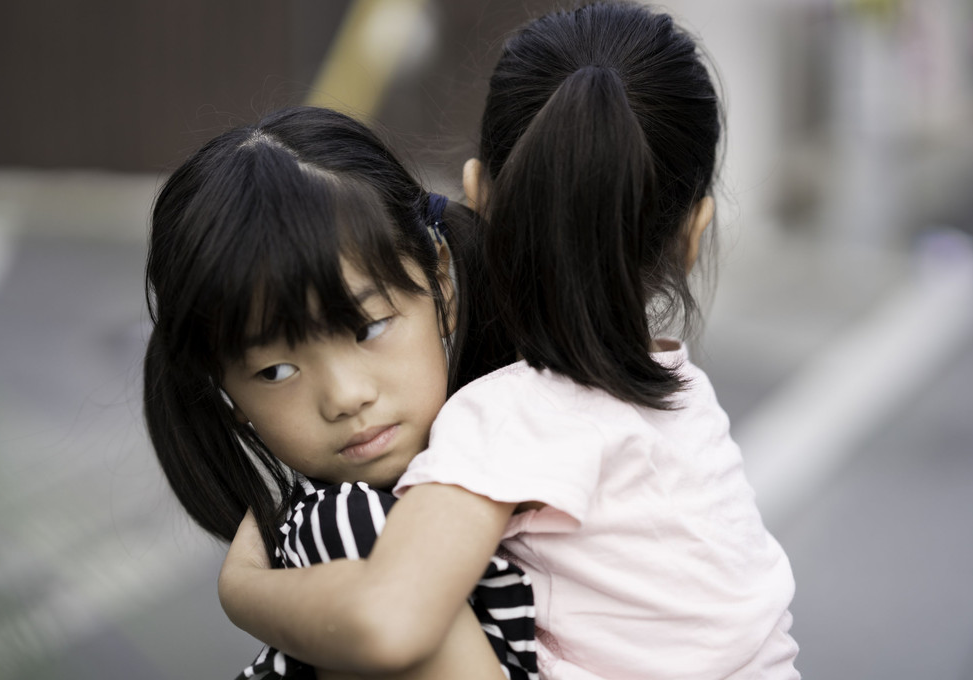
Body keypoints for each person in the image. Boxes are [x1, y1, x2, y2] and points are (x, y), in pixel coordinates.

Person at [219, 3, 800, 678]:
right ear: (694, 232)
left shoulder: (505, 422)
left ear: (477, 195)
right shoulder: (687, 405)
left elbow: (388, 623)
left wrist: (243, 590)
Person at [143, 106, 536, 680]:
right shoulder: (354, 528)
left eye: (368, 328)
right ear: (225, 393)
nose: (345, 397)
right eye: (276, 371)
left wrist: (245, 590)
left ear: (441, 281)